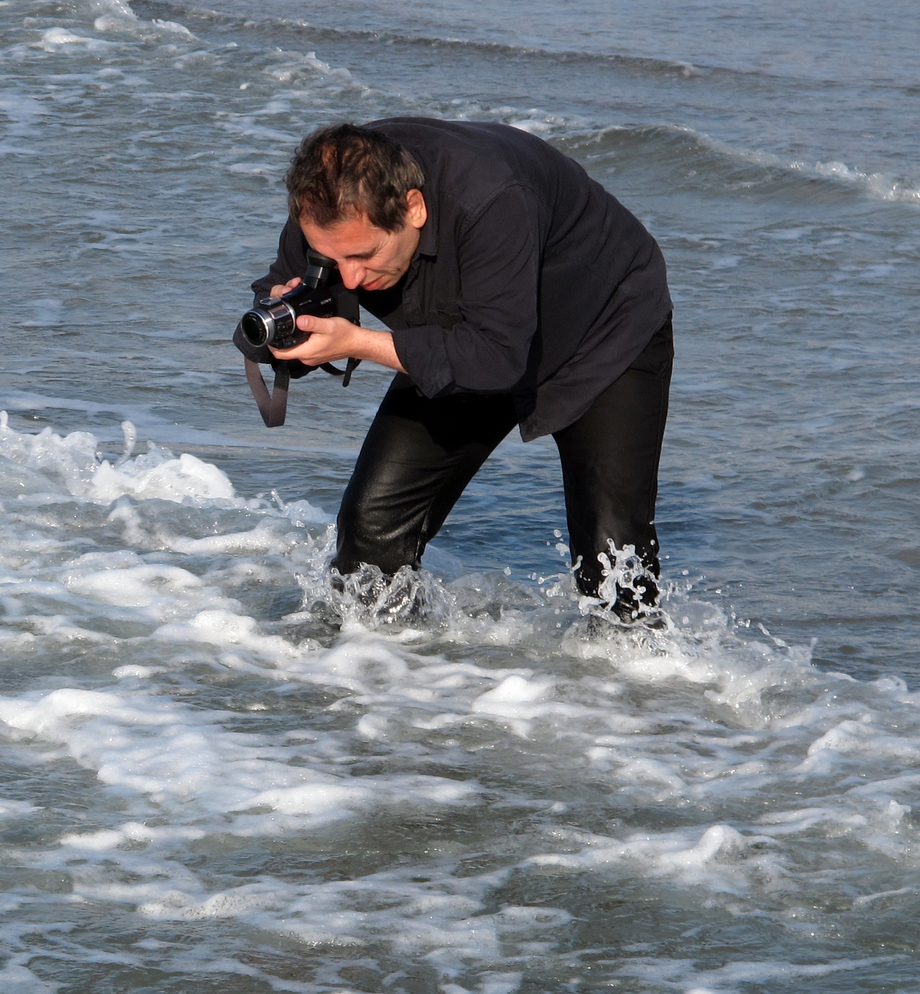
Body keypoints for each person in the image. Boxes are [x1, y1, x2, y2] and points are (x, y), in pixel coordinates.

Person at [236, 119, 673, 621]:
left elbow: (496, 358)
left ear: (413, 207)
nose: (351, 277)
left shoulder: (491, 197)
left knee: (614, 568)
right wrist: (282, 331)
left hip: (603, 328)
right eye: (335, 258)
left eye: (365, 255)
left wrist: (357, 342)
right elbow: (265, 308)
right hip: (461, 337)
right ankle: (388, 681)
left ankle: (633, 691)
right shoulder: (326, 205)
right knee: (369, 537)